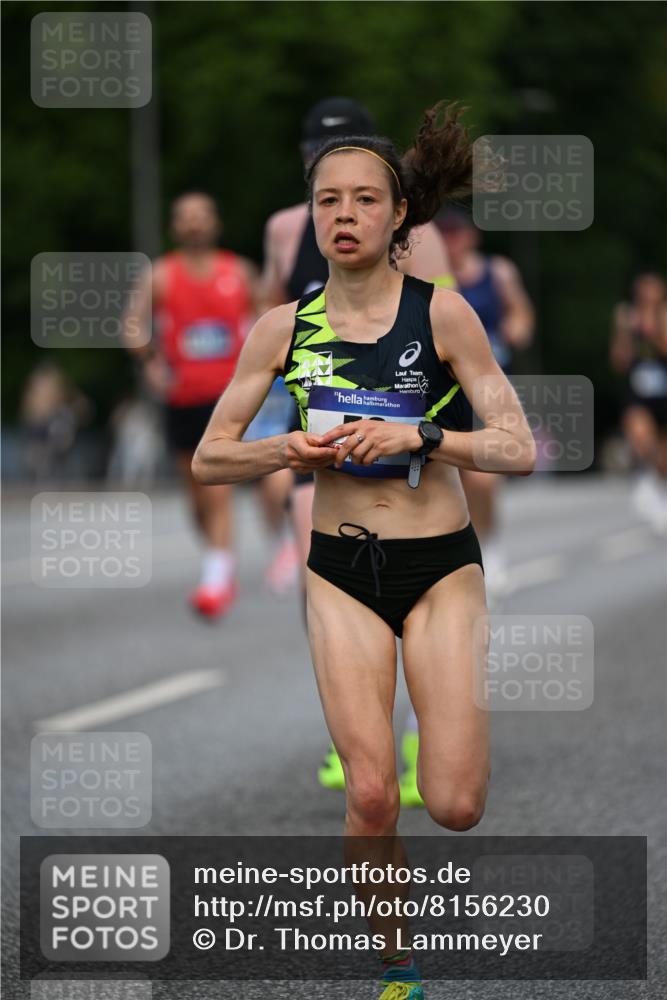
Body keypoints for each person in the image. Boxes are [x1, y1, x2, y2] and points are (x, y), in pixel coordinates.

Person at [193, 101, 535, 999]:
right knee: (375, 792)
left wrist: (422, 438)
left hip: (439, 569)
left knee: (455, 804)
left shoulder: (444, 314)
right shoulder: (281, 327)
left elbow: (516, 446)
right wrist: (285, 449)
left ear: (396, 218)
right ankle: (396, 965)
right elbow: (208, 454)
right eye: (327, 201)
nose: (342, 215)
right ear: (311, 217)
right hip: (340, 570)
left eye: (362, 200)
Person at [260, 97, 456, 800]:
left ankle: (406, 732)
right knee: (319, 563)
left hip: (400, 427)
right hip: (315, 426)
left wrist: (425, 426)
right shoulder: (285, 228)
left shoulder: (411, 231)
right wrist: (271, 438)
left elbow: (441, 328)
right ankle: (356, 730)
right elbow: (269, 315)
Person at [123, 191, 258, 617]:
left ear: (215, 223)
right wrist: (149, 363)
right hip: (181, 396)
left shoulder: (238, 271)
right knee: (196, 494)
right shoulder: (161, 275)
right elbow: (131, 326)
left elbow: (269, 318)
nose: (194, 224)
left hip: (229, 397)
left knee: (218, 489)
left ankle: (216, 580)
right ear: (175, 226)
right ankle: (218, 561)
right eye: (186, 218)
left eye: (201, 216)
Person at [436, 207, 534, 598]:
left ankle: (489, 548)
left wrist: (515, 331)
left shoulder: (498, 271)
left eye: (458, 234)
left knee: (484, 477)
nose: (452, 242)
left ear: (471, 236)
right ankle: (456, 551)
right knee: (449, 475)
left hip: (486, 385)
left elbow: (521, 313)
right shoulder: (432, 276)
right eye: (445, 235)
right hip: (444, 387)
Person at [610, 271, 667, 532]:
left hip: (663, 393)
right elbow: (619, 361)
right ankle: (644, 481)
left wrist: (654, 327)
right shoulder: (628, 319)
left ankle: (657, 492)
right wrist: (625, 331)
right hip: (639, 395)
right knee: (642, 438)